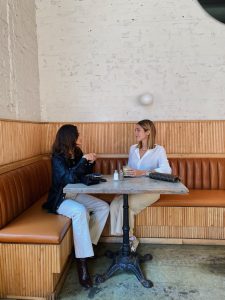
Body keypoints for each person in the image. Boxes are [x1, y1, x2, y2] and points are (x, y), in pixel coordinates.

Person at [43, 124, 109, 288]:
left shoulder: (76, 152)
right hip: (60, 198)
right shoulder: (57, 158)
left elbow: (83, 174)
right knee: (81, 211)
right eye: (77, 135)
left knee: (103, 207)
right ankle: (82, 263)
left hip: (75, 194)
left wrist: (89, 162)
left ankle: (89, 246)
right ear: (69, 137)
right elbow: (68, 178)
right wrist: (83, 162)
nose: (79, 137)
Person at [110, 119, 171, 251]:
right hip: (132, 188)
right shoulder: (133, 148)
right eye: (135, 130)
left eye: (138, 130)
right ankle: (126, 238)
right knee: (115, 204)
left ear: (148, 132)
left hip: (151, 191)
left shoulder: (159, 150)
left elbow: (167, 171)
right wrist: (125, 172)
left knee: (126, 205)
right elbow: (131, 169)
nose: (135, 132)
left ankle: (130, 240)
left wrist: (142, 172)